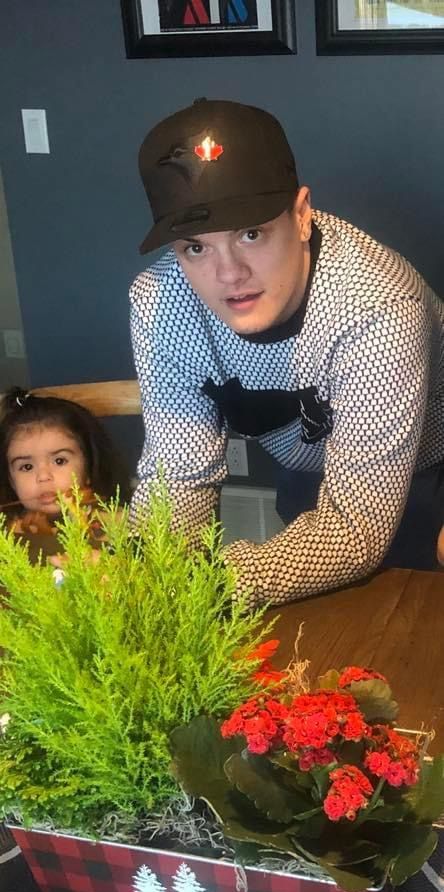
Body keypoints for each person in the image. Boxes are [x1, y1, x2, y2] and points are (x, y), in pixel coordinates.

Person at [129, 97, 444, 608]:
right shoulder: (160, 303)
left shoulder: (377, 307)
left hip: (427, 475)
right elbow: (178, 471)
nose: (229, 274)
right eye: (195, 247)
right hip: (310, 471)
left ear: (300, 216)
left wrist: (211, 586)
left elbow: (354, 527)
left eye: (251, 234)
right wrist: (144, 574)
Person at [0, 387, 130, 536]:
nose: (43, 476)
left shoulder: (114, 521)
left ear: (89, 466)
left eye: (60, 461)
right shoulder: (8, 532)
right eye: (27, 467)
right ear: (11, 480)